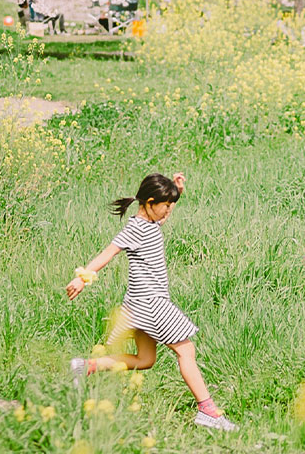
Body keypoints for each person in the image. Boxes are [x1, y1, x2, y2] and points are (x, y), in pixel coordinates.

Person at [65, 173, 237, 431]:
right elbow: (108, 253)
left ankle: (86, 367)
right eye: (166, 205)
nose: (169, 211)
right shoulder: (135, 228)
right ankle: (208, 411)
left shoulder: (150, 222)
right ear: (150, 202)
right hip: (151, 303)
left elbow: (164, 215)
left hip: (139, 304)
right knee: (186, 350)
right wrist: (83, 278)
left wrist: (177, 191)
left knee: (145, 359)